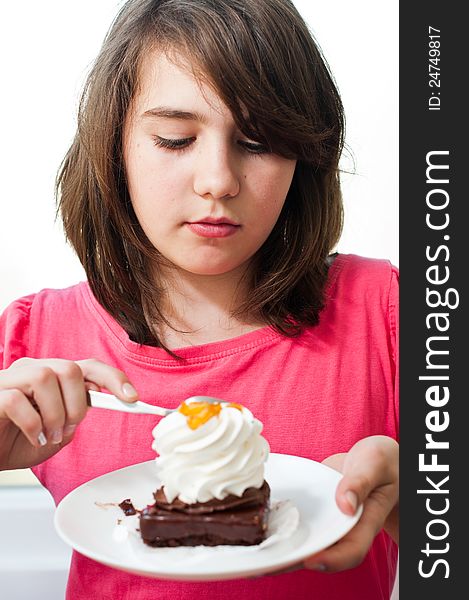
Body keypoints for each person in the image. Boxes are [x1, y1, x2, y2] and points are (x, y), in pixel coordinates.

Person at [0, 0, 399, 598]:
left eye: (259, 141)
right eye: (175, 138)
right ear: (115, 148)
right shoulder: (33, 339)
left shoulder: (389, 313)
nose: (218, 180)